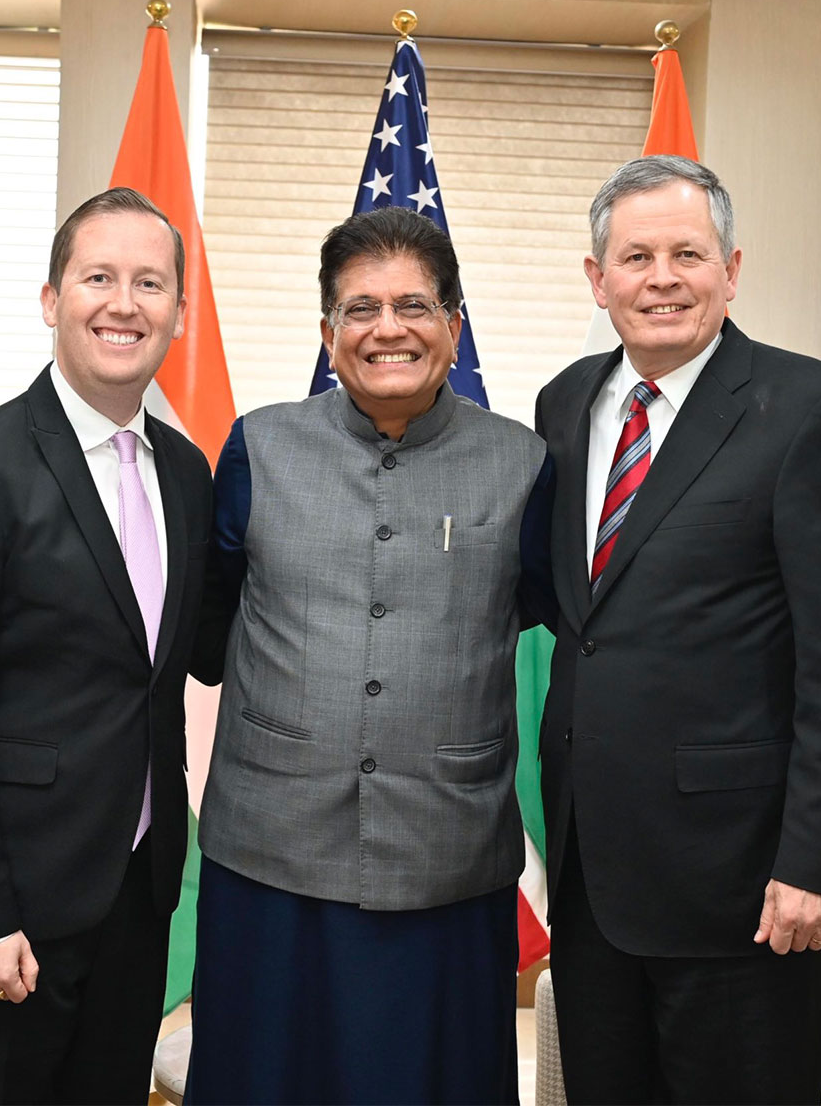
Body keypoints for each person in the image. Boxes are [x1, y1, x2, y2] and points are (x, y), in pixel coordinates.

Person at [534, 155, 821, 1105]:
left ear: (731, 269)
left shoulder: (809, 411)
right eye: (637, 256)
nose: (662, 278)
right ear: (597, 278)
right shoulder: (565, 405)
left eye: (687, 253)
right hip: (589, 874)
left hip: (739, 890)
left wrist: (817, 866)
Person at [184, 206, 553, 1105]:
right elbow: (206, 622)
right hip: (270, 853)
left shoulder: (525, 463)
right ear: (327, 332)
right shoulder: (258, 447)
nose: (388, 328)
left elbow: (543, 612)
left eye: (415, 304)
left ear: (454, 327)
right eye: (360, 309)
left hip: (446, 858)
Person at [0, 187, 213, 1104]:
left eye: (150, 283)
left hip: (138, 897)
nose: (125, 303)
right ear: (51, 300)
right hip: (13, 908)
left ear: (179, 313)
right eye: (98, 277)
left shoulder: (187, 474)